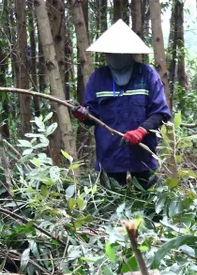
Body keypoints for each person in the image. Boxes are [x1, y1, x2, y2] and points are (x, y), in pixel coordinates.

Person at [73, 20, 171, 188]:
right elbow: (92, 115)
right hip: (109, 154)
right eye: (111, 53)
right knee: (110, 203)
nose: (115, 56)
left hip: (143, 153)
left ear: (130, 53)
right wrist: (82, 115)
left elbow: (161, 112)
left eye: (120, 53)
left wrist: (141, 130)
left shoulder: (147, 75)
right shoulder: (98, 78)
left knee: (148, 201)